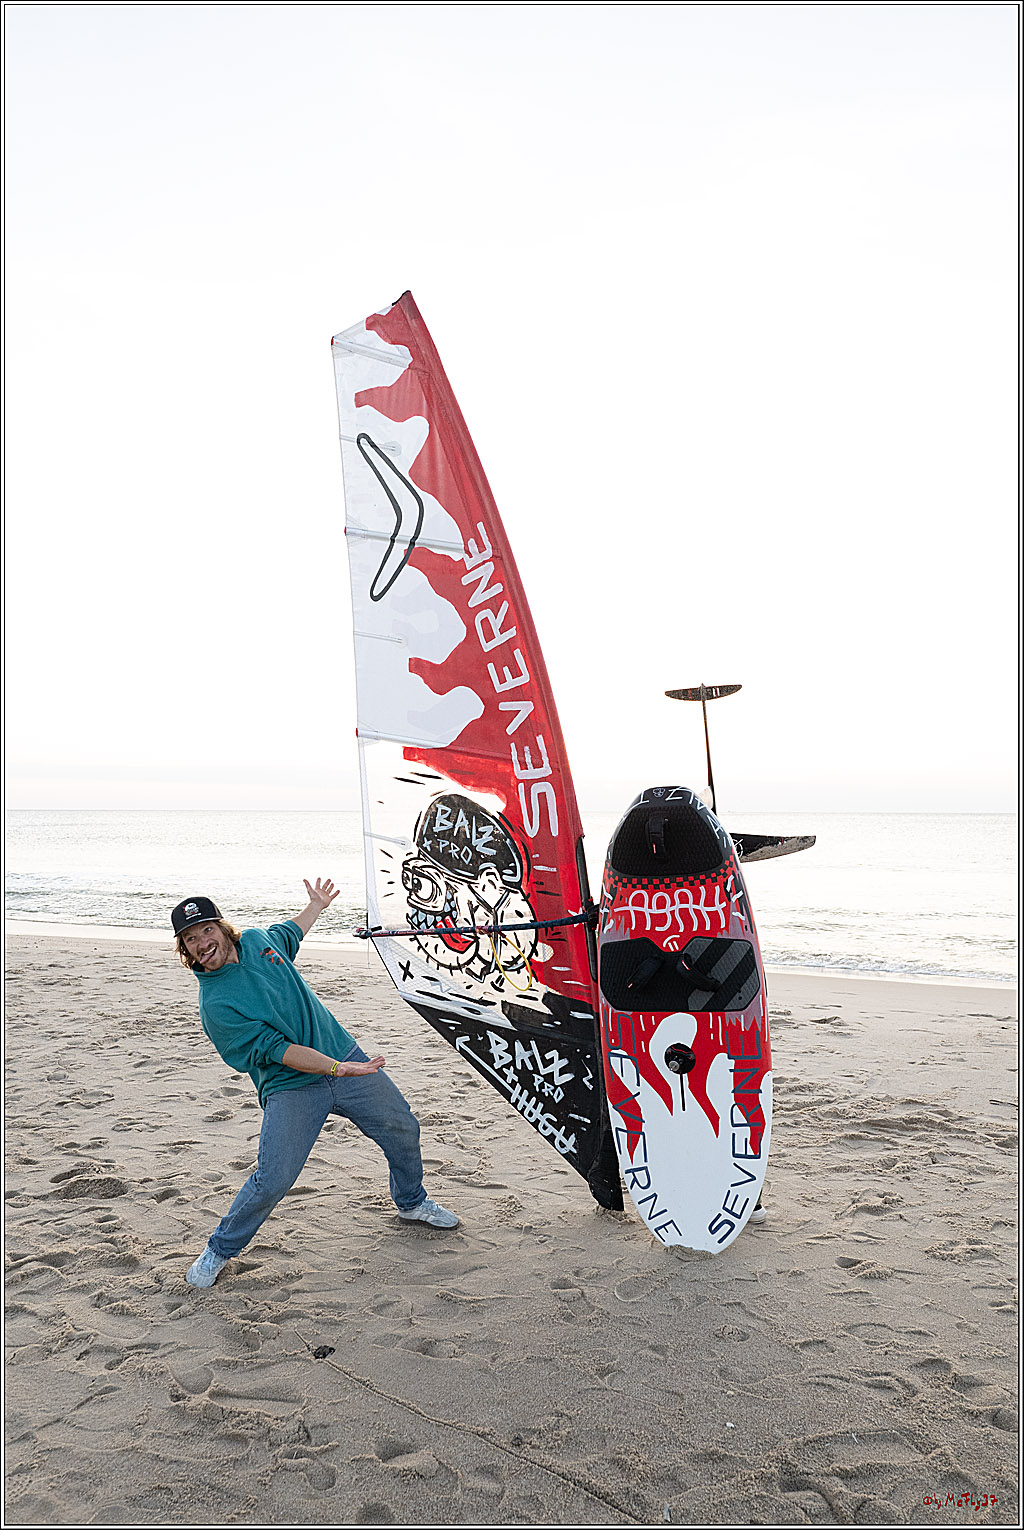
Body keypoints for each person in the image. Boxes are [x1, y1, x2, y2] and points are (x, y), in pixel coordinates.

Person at [172, 878, 459, 1289]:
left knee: (403, 1128)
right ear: (185, 951)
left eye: (206, 930)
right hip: (293, 1085)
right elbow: (279, 1049)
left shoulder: (256, 941)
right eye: (190, 939)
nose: (202, 942)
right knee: (273, 1177)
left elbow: (289, 935)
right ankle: (219, 1249)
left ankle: (412, 1202)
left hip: (344, 1056)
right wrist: (335, 1069)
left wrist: (316, 907)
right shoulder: (216, 1006)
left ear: (222, 928)